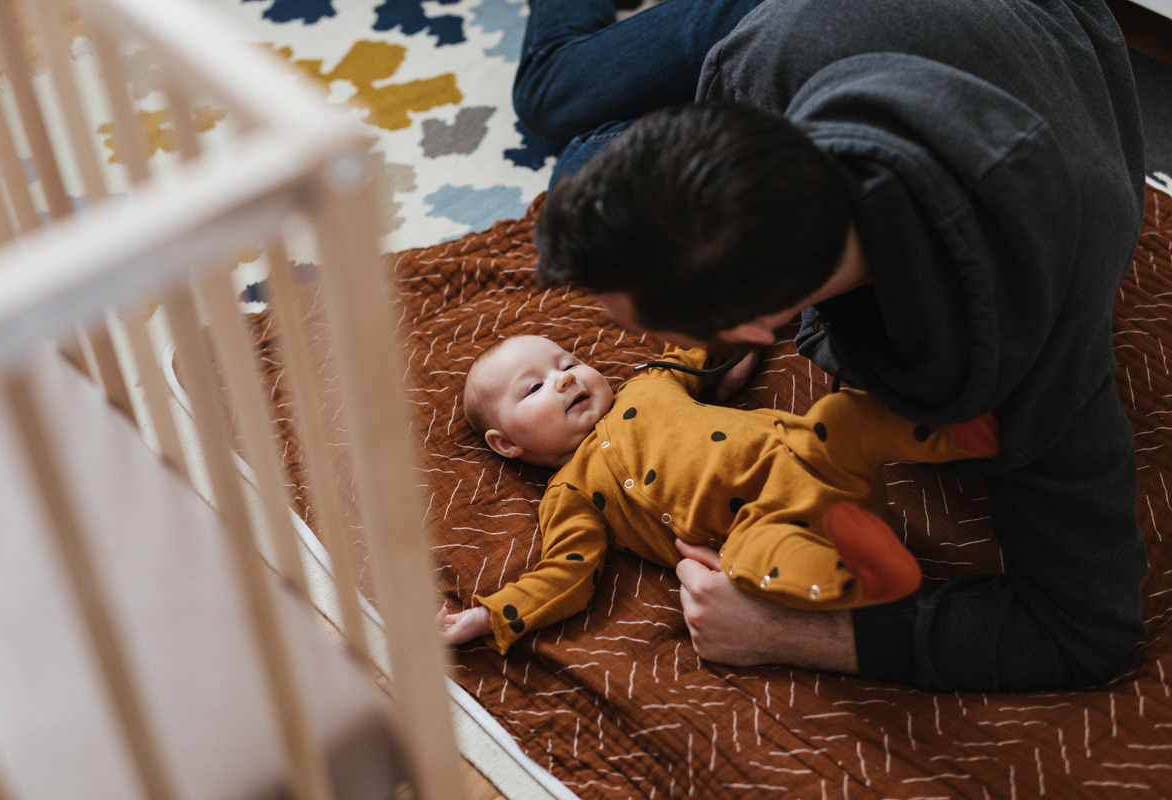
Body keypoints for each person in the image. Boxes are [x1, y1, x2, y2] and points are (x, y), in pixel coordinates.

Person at [514, 0, 1150, 692]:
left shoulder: (1036, 351)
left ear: (763, 326)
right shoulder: (762, 58)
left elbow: (1082, 633)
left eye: (653, 336)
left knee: (566, 140)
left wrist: (788, 633)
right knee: (559, 117)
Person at [441, 335, 1000, 653]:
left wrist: (733, 333)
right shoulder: (570, 494)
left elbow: (694, 346)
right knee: (757, 563)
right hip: (758, 525)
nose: (564, 378)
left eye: (567, 362)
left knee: (843, 418)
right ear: (505, 444)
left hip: (803, 451)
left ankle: (961, 432)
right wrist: (491, 617)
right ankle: (861, 572)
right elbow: (565, 572)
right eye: (534, 387)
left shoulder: (649, 383)